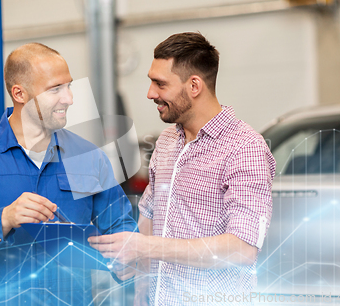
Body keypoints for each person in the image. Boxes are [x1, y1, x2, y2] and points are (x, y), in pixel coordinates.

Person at [0, 43, 137, 305]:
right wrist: (4, 219)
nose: (69, 98)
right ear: (20, 93)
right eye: (55, 89)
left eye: (69, 86)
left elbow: (120, 228)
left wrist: (126, 259)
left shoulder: (86, 157)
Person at [88, 32, 276, 305]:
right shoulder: (166, 142)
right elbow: (150, 217)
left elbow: (242, 249)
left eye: (160, 84)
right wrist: (134, 263)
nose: (151, 93)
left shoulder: (245, 148)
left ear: (194, 86)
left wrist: (147, 247)